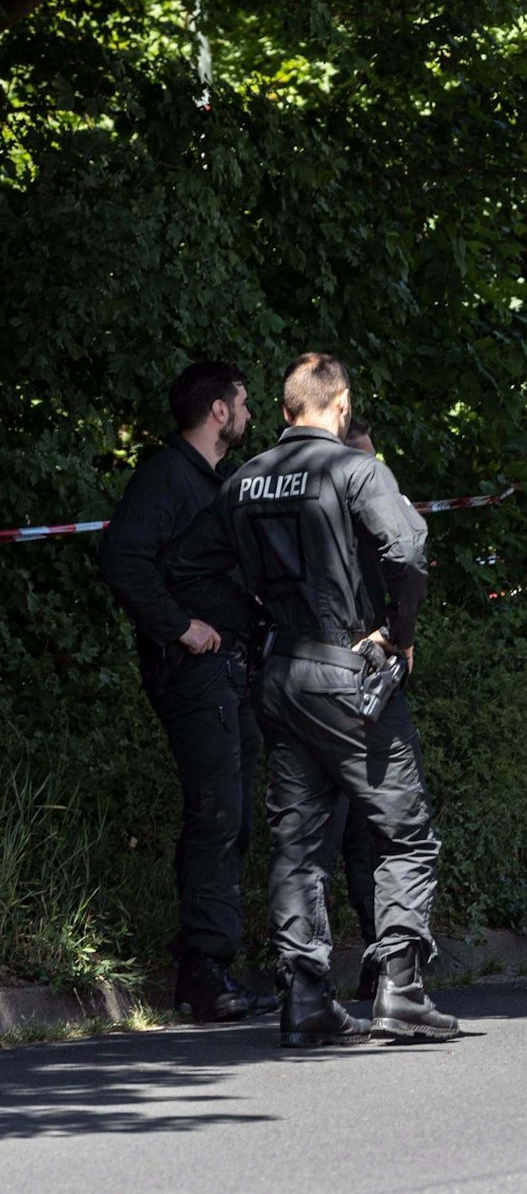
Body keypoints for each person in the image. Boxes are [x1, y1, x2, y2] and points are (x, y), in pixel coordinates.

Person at [169, 353, 457, 1048]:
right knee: (404, 831)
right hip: (349, 670)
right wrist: (399, 632)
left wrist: (253, 618)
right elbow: (408, 544)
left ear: (284, 408)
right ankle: (401, 988)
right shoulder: (356, 468)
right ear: (341, 404)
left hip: (281, 674)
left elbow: (186, 564)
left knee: (297, 844)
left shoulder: (242, 480)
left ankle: (304, 996)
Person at [97, 361, 274, 1023]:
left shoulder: (216, 482)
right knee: (216, 809)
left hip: (232, 671)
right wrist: (181, 626)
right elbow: (122, 560)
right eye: (244, 403)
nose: (251, 414)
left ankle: (215, 961)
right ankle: (203, 973)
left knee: (234, 812)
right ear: (219, 412)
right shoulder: (165, 477)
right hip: (195, 673)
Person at [309, 413, 386, 1001]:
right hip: (324, 689)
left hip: (376, 695)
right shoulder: (314, 521)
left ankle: (378, 959)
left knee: (371, 838)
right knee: (322, 838)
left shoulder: (383, 517)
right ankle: (309, 981)